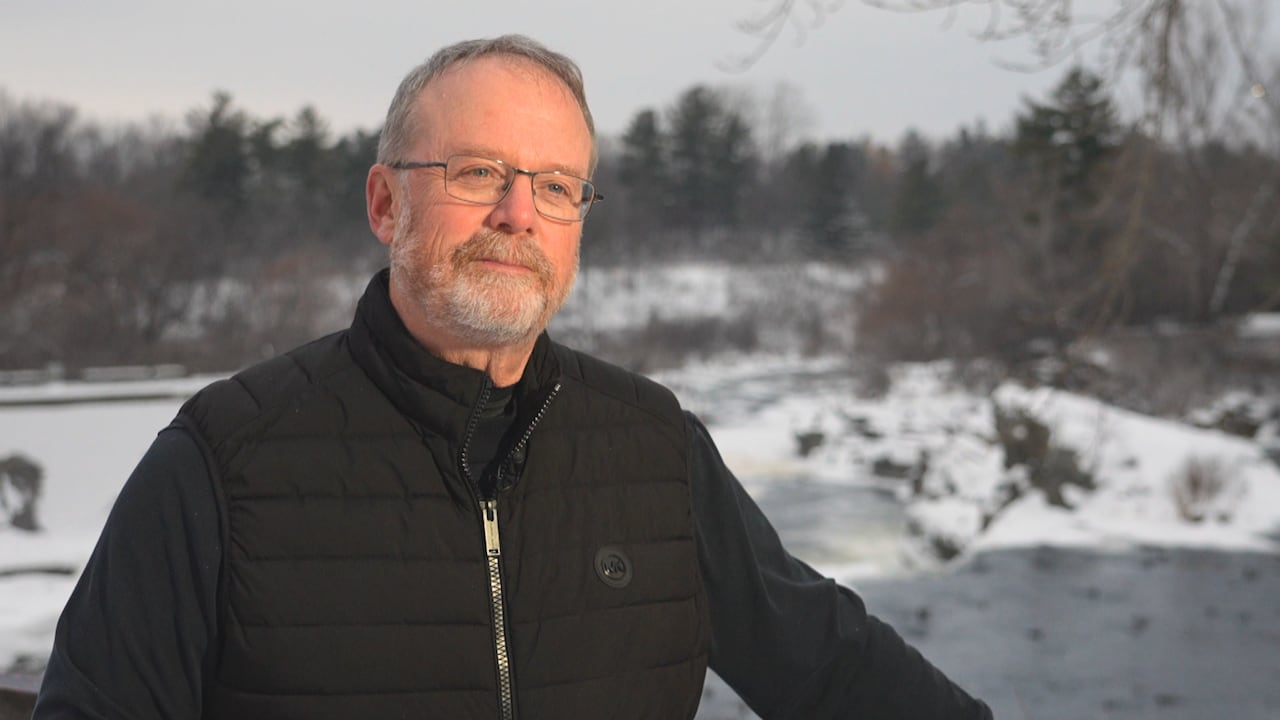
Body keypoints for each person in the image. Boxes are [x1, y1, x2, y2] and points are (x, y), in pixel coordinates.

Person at [33, 35, 992, 719]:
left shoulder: (652, 448)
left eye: (555, 186)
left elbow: (831, 670)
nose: (517, 214)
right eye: (478, 171)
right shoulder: (223, 463)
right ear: (384, 202)